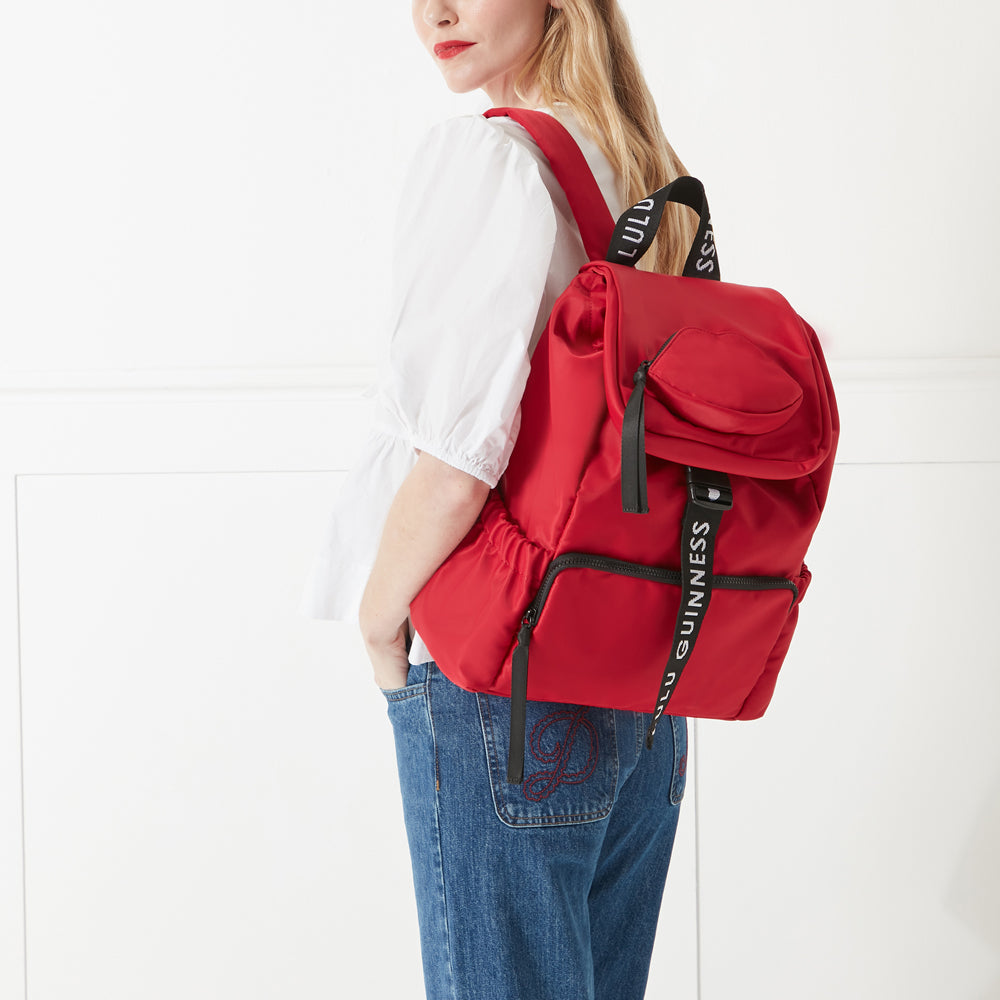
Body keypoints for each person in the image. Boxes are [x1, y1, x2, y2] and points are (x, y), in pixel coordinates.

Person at [300, 2, 697, 996]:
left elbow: (456, 456)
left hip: (504, 675)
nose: (435, 11)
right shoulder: (643, 172)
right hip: (641, 682)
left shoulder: (492, 162)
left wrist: (381, 620)